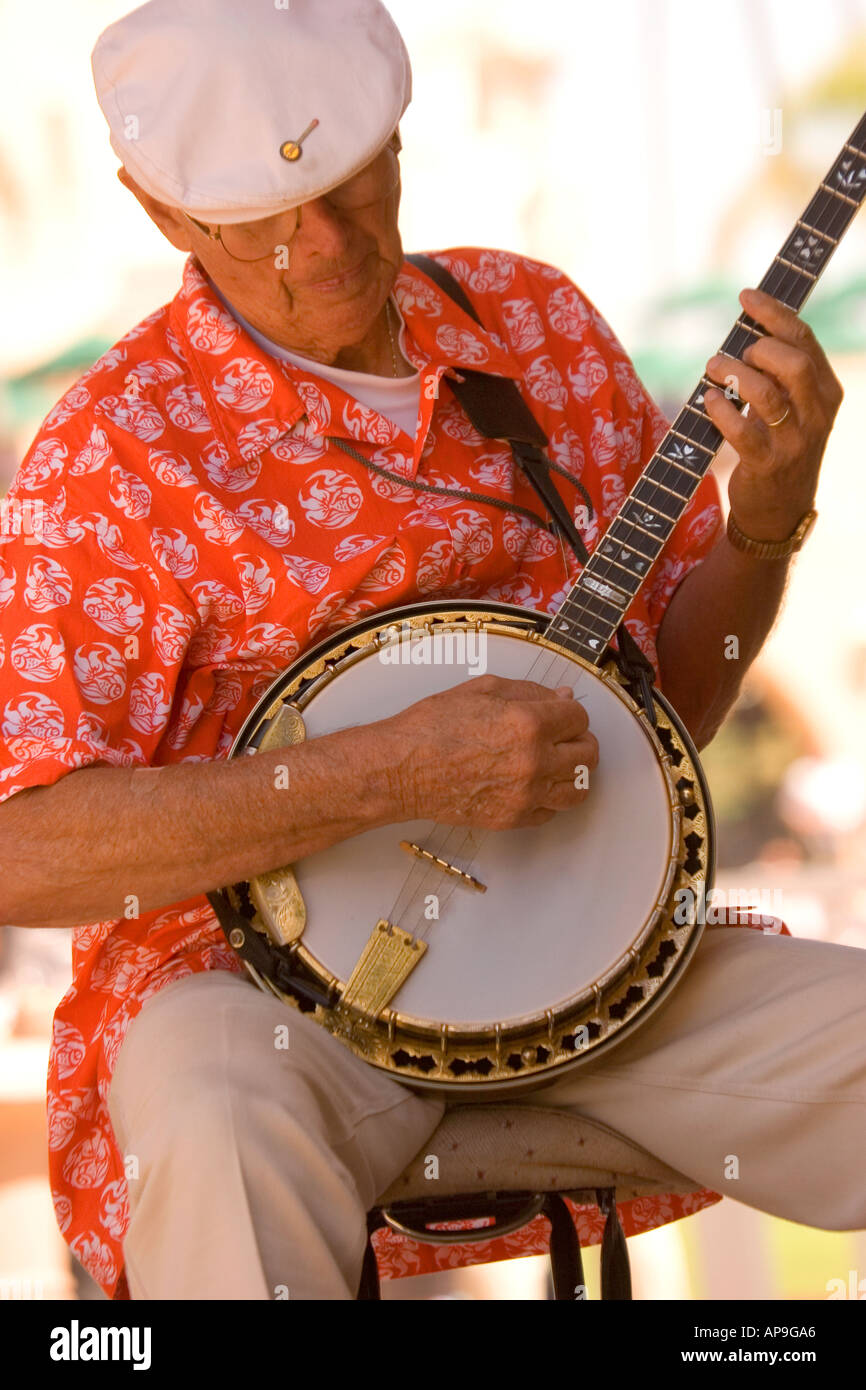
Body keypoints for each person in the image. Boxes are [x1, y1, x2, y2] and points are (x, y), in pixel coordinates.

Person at [0, 0, 862, 1300]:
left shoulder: (537, 323)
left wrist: (771, 515)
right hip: (264, 1003)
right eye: (262, 219)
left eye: (357, 183)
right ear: (163, 213)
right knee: (217, 1118)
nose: (330, 242)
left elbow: (669, 700)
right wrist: (378, 776)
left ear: (397, 138)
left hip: (604, 966)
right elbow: (24, 847)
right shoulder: (113, 458)